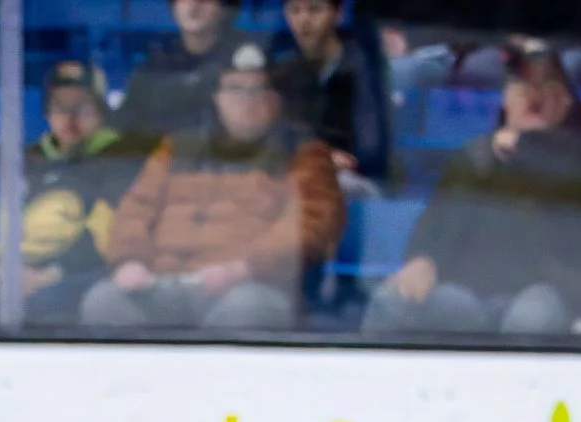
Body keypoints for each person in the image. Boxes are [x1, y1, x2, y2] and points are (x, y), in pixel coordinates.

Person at [363, 46, 581, 336]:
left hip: (552, 290)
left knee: (529, 321)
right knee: (391, 302)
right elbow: (435, 222)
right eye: (523, 85)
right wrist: (423, 260)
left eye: (547, 85)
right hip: (468, 294)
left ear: (565, 101)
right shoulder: (476, 154)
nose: (534, 95)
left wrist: (528, 147)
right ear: (505, 100)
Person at [83, 45, 346, 331]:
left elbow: (311, 226)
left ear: (276, 100)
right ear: (217, 99)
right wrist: (128, 260)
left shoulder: (303, 153)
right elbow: (135, 209)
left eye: (258, 90)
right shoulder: (177, 148)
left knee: (247, 311)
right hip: (162, 283)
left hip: (250, 287)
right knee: (103, 302)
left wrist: (245, 268)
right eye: (235, 90)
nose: (247, 101)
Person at [20, 61, 158, 324]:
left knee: (41, 306)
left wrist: (50, 274)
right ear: (47, 114)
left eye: (81, 108)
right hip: (25, 269)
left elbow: (109, 236)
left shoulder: (121, 159)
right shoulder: (30, 161)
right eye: (60, 108)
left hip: (84, 272)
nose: (69, 119)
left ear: (100, 112)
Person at [268, 0, 394, 190]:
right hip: (301, 172)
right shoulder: (283, 74)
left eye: (314, 9)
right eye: (294, 10)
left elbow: (370, 147)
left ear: (339, 14)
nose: (304, 20)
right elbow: (276, 140)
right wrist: (320, 159)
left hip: (354, 179)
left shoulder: (363, 70)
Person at [121, 0, 263, 136]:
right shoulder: (156, 61)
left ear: (225, 9)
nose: (193, 6)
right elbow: (126, 122)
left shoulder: (248, 58)